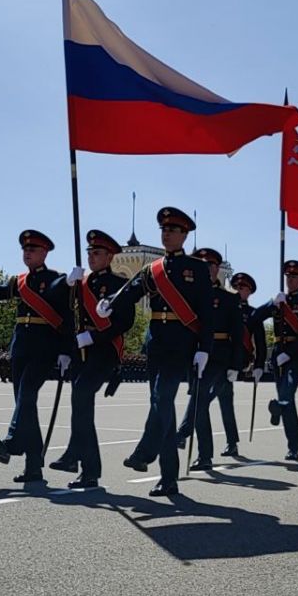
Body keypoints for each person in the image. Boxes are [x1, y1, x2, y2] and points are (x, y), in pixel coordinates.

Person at [98, 207, 214, 497]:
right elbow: (132, 290)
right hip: (156, 341)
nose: (166, 234)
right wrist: (110, 303)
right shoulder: (152, 269)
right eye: (163, 229)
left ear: (185, 234)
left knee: (162, 396)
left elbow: (206, 313)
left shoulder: (197, 268)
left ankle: (144, 452)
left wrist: (205, 348)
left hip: (181, 342)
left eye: (172, 230)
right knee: (161, 405)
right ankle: (169, 478)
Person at [0, 229, 71, 484]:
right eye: (25, 250)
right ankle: (34, 467)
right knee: (26, 406)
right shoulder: (18, 281)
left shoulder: (58, 280)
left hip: (44, 348)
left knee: (27, 395)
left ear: (44, 253)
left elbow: (67, 317)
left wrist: (66, 350)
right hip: (21, 346)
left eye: (32, 250)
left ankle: (12, 442)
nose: (27, 253)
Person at [48, 229, 134, 488]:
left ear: (109, 256)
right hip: (80, 351)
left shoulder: (120, 285)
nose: (91, 257)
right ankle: (84, 467)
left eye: (97, 253)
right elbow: (60, 309)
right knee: (80, 406)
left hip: (104, 350)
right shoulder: (81, 284)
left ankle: (81, 460)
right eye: (89, 253)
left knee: (81, 396)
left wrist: (93, 338)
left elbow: (124, 322)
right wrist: (67, 283)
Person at [175, 248, 244, 468]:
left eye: (211, 265)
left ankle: (182, 433)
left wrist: (235, 365)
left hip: (218, 355)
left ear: (217, 269)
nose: (207, 268)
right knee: (200, 401)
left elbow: (238, 333)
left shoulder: (228, 298)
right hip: (194, 355)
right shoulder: (190, 295)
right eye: (202, 264)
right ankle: (204, 456)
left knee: (200, 395)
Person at [254, 260, 298, 461]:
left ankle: (280, 407)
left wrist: (289, 353)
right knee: (287, 398)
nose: (290, 280)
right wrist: (270, 304)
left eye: (294, 277)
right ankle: (294, 446)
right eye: (288, 277)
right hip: (278, 353)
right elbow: (254, 318)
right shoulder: (279, 300)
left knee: (289, 385)